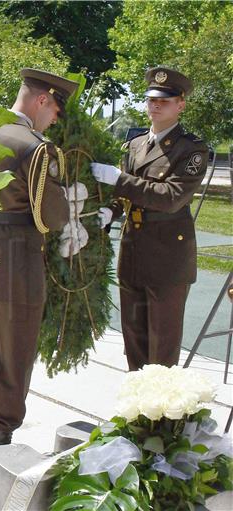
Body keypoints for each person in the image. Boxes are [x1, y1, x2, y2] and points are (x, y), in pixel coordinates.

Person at [0, 69, 76, 460]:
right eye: (56, 110)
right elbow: (51, 216)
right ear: (43, 100)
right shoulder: (35, 147)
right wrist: (67, 197)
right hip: (17, 260)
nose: (55, 119)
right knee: (14, 359)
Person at [91, 67, 208, 371]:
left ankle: (161, 416)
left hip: (167, 256)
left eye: (165, 101)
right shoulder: (135, 145)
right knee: (134, 338)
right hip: (133, 252)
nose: (156, 105)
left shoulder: (191, 149)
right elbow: (126, 193)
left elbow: (170, 198)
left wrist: (118, 181)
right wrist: (111, 211)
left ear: (180, 104)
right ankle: (137, 412)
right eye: (152, 100)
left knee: (162, 345)